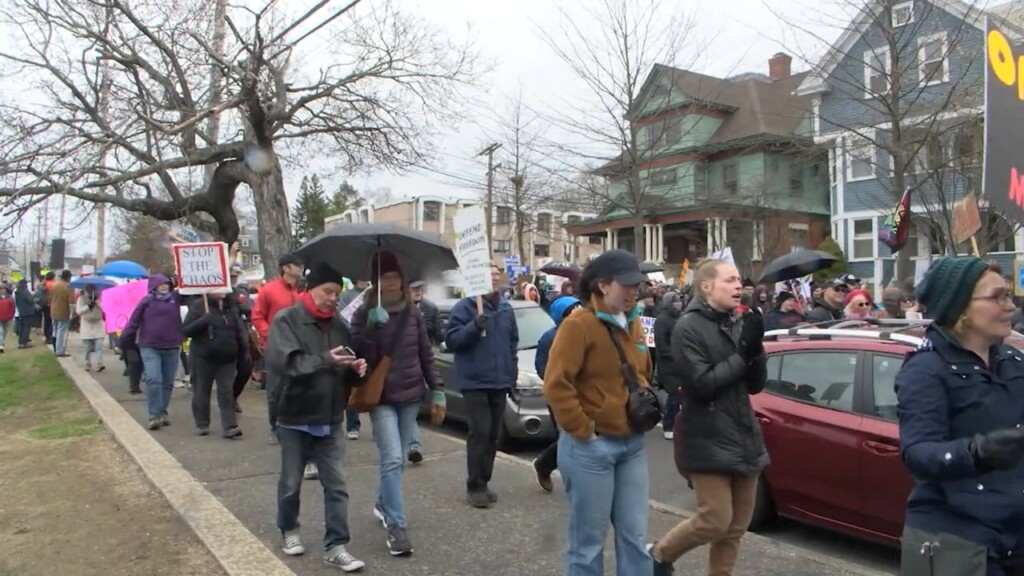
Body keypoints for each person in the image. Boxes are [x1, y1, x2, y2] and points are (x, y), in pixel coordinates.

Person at [896, 258, 1024, 576]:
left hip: (1015, 533)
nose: (1010, 306)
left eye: (1009, 295)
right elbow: (918, 453)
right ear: (961, 308)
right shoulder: (926, 370)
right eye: (998, 297)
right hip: (959, 538)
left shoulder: (1012, 361)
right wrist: (977, 452)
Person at [650, 258, 769, 576]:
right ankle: (660, 554)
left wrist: (756, 348)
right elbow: (701, 386)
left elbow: (755, 385)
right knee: (715, 520)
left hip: (744, 435)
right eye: (729, 280)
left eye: (739, 281)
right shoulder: (687, 327)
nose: (738, 286)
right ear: (706, 286)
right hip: (706, 437)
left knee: (735, 529)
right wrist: (742, 354)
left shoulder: (738, 321)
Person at [543, 250, 653, 576]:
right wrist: (583, 428)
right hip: (591, 448)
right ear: (603, 285)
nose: (636, 291)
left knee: (634, 536)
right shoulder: (579, 324)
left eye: (638, 285)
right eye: (628, 285)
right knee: (588, 542)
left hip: (631, 443)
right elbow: (556, 384)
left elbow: (642, 369)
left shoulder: (633, 321)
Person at [264, 262, 368, 572]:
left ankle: (337, 545)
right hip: (294, 415)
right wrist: (326, 359)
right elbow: (288, 364)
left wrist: (357, 372)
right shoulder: (287, 320)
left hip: (330, 417)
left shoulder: (339, 326)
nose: (332, 298)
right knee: (291, 484)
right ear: (310, 289)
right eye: (327, 291)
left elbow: (345, 367)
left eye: (336, 293)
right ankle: (289, 530)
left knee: (336, 486)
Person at [350, 250, 445, 557]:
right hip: (381, 398)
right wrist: (369, 330)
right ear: (375, 282)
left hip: (411, 394)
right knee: (391, 458)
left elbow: (425, 353)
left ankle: (382, 501)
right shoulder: (363, 312)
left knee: (400, 458)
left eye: (395, 277)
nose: (391, 282)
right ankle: (396, 527)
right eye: (384, 277)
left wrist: (438, 389)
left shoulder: (412, 312)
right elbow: (356, 354)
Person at [444, 262, 519, 509]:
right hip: (475, 381)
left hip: (499, 382)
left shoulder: (506, 308)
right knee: (480, 433)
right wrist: (475, 326)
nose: (494, 278)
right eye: (489, 274)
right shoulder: (464, 307)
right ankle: (474, 485)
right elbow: (453, 340)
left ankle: (484, 482)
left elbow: (511, 344)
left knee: (493, 435)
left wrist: (512, 375)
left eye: (497, 274)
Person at [251, 253, 303, 446]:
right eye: (297, 264)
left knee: (299, 388)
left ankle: (295, 426)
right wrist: (270, 335)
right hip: (275, 349)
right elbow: (257, 316)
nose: (301, 267)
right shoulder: (269, 290)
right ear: (286, 268)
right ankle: (274, 426)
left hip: (300, 347)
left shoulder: (303, 291)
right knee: (275, 391)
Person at [120, 274, 184, 430]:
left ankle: (162, 413)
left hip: (172, 346)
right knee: (154, 380)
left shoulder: (176, 299)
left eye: (166, 283)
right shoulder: (147, 301)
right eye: (160, 284)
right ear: (153, 286)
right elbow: (134, 321)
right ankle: (154, 416)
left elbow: (193, 292)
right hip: (150, 346)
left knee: (168, 383)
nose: (164, 286)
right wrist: (124, 341)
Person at [531, 295, 581, 492]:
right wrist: (560, 385)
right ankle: (545, 465)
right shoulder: (550, 338)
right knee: (570, 437)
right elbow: (542, 367)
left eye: (579, 306)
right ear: (563, 315)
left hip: (584, 396)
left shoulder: (585, 333)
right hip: (560, 398)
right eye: (574, 308)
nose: (579, 310)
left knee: (580, 437)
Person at [182, 292, 249, 439]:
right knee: (201, 390)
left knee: (226, 392)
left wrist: (244, 351)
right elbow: (185, 331)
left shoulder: (231, 307)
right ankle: (202, 423)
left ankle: (230, 426)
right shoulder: (199, 306)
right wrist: (203, 321)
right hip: (203, 357)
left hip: (227, 357)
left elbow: (238, 331)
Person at [406, 279, 441, 464]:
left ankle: (413, 445)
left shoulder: (430, 308)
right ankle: (410, 444)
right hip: (403, 364)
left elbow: (438, 335)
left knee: (412, 405)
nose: (418, 292)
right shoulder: (396, 309)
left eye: (420, 288)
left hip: (423, 360)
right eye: (414, 289)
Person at [337, 277, 371, 442]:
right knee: (351, 384)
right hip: (351, 342)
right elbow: (342, 316)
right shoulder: (347, 295)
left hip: (369, 343)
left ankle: (363, 425)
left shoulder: (373, 294)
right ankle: (351, 425)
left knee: (366, 383)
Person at [654, 291, 684, 440]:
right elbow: (661, 344)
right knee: (674, 396)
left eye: (679, 300)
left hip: (681, 364)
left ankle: (675, 422)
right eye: (675, 301)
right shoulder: (662, 320)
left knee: (681, 397)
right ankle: (668, 425)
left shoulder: (681, 317)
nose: (679, 303)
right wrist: (675, 353)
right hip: (668, 365)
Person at [76, 283, 106, 371]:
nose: (90, 290)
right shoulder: (81, 298)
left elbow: (105, 308)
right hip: (86, 324)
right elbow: (79, 311)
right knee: (87, 347)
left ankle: (99, 363)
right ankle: (87, 363)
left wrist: (97, 303)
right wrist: (88, 306)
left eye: (92, 288)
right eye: (88, 288)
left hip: (98, 323)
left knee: (99, 345)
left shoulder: (99, 298)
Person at [49, 270, 73, 357]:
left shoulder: (55, 284)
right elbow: (70, 300)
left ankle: (55, 348)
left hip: (53, 309)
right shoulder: (67, 286)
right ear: (68, 277)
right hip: (63, 311)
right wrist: (72, 313)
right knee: (61, 331)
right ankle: (59, 350)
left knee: (55, 330)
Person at [14, 279, 35, 349]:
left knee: (22, 327)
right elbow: (30, 300)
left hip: (21, 311)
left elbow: (16, 302)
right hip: (28, 311)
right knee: (27, 328)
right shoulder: (25, 291)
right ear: (25, 284)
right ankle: (24, 342)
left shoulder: (17, 292)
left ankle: (20, 342)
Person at [0, 284, 14, 352]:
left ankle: (2, 344)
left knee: (4, 332)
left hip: (7, 318)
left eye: (4, 289)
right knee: (1, 332)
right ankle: (1, 345)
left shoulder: (10, 298)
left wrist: (11, 316)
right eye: (1, 289)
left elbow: (12, 308)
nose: (2, 290)